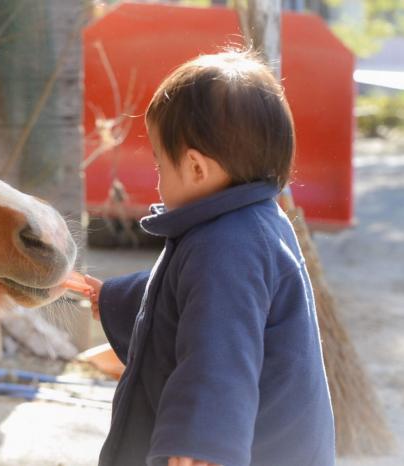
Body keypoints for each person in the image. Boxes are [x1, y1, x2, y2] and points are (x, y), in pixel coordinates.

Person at [84, 50, 335, 466]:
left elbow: (220, 353)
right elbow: (190, 298)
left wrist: (200, 443)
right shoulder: (249, 223)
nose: (158, 181)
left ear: (198, 168)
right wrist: (115, 298)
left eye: (161, 166)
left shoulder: (226, 248)